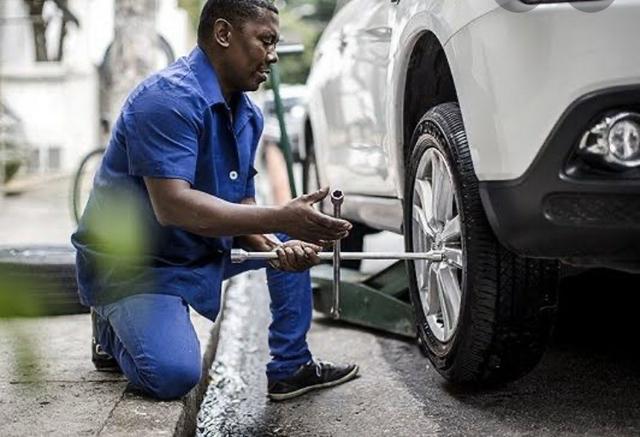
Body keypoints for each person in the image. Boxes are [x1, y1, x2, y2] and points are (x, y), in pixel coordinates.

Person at [71, 0, 359, 402]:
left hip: (196, 246)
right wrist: (281, 218)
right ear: (224, 34)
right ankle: (108, 326)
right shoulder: (166, 99)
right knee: (172, 375)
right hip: (133, 264)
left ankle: (291, 366)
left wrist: (278, 249)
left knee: (289, 232)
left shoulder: (248, 114)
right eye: (266, 41)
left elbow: (241, 202)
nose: (273, 56)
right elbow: (173, 207)